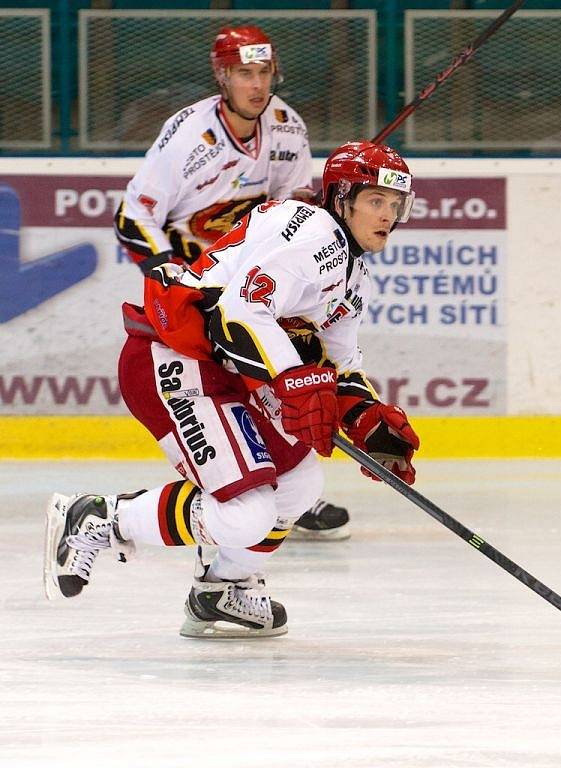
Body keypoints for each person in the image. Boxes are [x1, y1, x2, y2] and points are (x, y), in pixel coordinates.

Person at [44, 141, 421, 639]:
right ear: (343, 198)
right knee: (245, 515)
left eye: (396, 205)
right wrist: (296, 381)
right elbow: (238, 312)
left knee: (300, 486)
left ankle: (222, 587)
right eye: (376, 201)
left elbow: (337, 361)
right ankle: (100, 517)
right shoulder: (313, 234)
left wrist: (368, 419)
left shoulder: (353, 270)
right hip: (176, 360)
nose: (388, 216)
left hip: (227, 370)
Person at [114, 24, 348, 540]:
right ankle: (227, 499)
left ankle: (289, 486)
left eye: (264, 72)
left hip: (247, 282)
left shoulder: (288, 128)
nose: (257, 85)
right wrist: (170, 275)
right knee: (219, 391)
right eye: (245, 73)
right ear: (223, 76)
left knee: (284, 373)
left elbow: (293, 213)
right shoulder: (188, 136)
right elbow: (134, 216)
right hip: (195, 291)